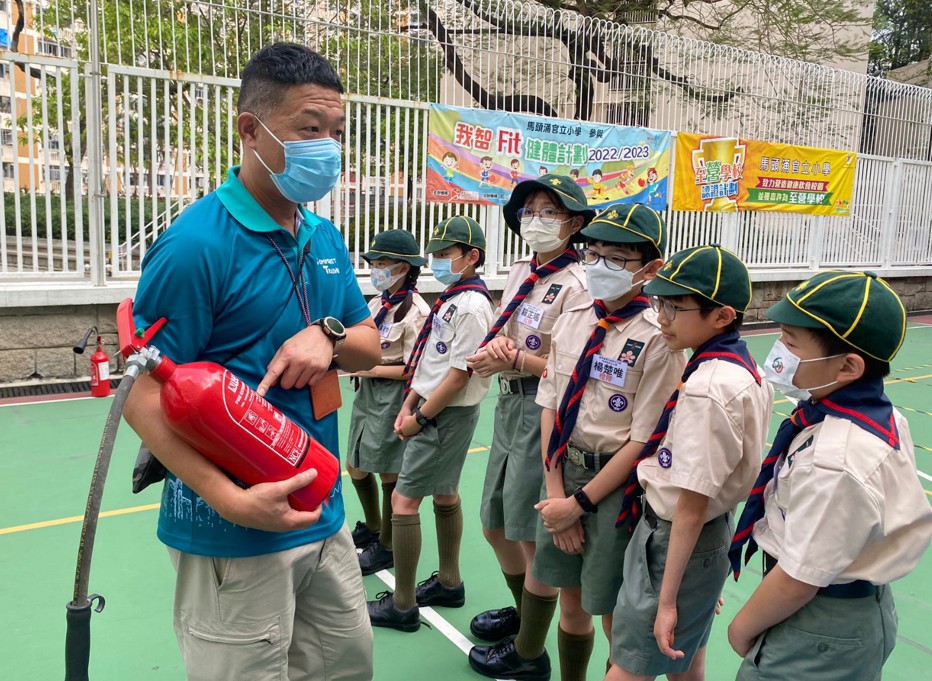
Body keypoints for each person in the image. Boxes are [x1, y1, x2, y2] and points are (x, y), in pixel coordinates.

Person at [122, 43, 380, 681]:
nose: (328, 148)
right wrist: (230, 501)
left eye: (337, 132)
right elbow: (140, 395)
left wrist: (327, 337)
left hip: (322, 512)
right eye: (309, 129)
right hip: (232, 532)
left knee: (345, 667)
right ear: (250, 129)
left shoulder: (323, 236)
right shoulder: (195, 246)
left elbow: (369, 344)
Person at [473, 203, 687, 681]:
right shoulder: (574, 318)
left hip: (613, 487)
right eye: (593, 254)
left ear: (650, 269)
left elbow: (642, 440)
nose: (599, 266)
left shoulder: (657, 339)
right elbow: (550, 405)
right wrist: (556, 497)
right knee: (570, 601)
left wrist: (580, 504)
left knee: (610, 610)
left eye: (617, 259)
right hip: (563, 473)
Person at [727, 270, 932, 681]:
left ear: (848, 366)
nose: (778, 351)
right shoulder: (877, 415)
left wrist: (741, 629)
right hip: (851, 607)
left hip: (818, 623)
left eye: (790, 342)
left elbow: (799, 579)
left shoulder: (835, 461)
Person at [607, 245, 774, 681]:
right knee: (687, 660)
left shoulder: (708, 388)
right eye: (660, 303)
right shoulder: (743, 368)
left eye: (674, 307)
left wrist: (667, 599)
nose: (661, 317)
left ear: (721, 316)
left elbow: (692, 504)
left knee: (629, 668)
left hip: (676, 539)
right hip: (706, 536)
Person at [464, 175, 593, 671]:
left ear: (574, 224)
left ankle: (529, 651)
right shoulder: (523, 271)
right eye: (529, 211)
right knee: (495, 523)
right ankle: (526, 616)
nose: (535, 219)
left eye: (549, 211)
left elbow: (574, 373)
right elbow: (507, 329)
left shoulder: (578, 286)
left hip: (544, 411)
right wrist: (501, 350)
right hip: (509, 406)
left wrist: (516, 359)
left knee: (525, 531)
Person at [368, 215, 495, 632]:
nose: (438, 260)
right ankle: (449, 582)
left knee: (404, 503)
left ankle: (402, 605)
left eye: (446, 253)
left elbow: (458, 376)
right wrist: (409, 402)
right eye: (435, 253)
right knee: (444, 493)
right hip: (432, 407)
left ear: (471, 256)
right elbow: (430, 362)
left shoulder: (472, 306)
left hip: (445, 415)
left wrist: (419, 418)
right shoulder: (452, 297)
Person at [346, 230, 430, 575]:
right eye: (374, 263)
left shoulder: (417, 312)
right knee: (355, 463)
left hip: (392, 394)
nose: (376, 270)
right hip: (367, 392)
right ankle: (373, 526)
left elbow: (414, 369)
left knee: (387, 469)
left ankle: (388, 545)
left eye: (383, 264)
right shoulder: (377, 304)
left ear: (404, 268)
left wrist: (371, 368)